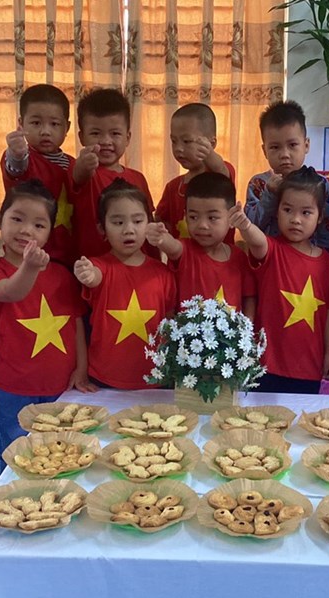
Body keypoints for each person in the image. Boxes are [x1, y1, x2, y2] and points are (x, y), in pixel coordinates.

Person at [0, 181, 93, 456]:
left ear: (50, 232)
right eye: (17, 219)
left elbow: (76, 322)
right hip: (13, 389)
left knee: (62, 454)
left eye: (39, 225)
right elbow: (10, 292)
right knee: (19, 456)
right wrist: (30, 267)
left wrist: (82, 368)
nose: (27, 230)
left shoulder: (62, 275)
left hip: (61, 386)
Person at [232, 167, 329, 394]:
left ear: (320, 217)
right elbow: (257, 242)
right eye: (287, 210)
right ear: (277, 211)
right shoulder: (272, 249)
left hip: (309, 367)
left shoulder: (326, 263)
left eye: (306, 212)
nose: (295, 220)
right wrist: (245, 225)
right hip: (267, 365)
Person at [74, 180, 177, 389]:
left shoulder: (163, 273)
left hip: (155, 380)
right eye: (118, 222)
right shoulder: (99, 266)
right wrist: (86, 273)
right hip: (104, 381)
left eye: (137, 221)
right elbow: (94, 277)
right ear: (102, 228)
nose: (129, 230)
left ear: (149, 223)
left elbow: (170, 323)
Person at [146, 172, 256, 317]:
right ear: (185, 216)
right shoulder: (184, 250)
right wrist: (160, 237)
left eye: (212, 218)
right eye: (193, 217)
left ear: (231, 218)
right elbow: (171, 246)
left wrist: (248, 326)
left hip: (231, 331)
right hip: (187, 330)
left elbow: (249, 297)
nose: (202, 225)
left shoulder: (239, 256)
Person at [244, 100, 329, 259]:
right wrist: (270, 195)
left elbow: (327, 233)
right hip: (270, 263)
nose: (284, 154)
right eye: (275, 147)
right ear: (264, 150)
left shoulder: (320, 184)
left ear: (306, 145)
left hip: (307, 263)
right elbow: (251, 226)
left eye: (292, 145)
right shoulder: (259, 184)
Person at [69, 88, 154, 259]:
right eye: (95, 133)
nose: (106, 141)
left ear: (128, 137)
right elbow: (78, 177)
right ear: (82, 137)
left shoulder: (138, 178)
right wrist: (83, 166)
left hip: (136, 267)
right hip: (93, 267)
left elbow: (148, 223)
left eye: (115, 133)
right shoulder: (85, 172)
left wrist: (154, 262)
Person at [2, 84, 76, 265]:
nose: (45, 131)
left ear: (66, 127)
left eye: (54, 124)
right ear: (21, 124)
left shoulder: (74, 165)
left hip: (66, 255)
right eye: (36, 123)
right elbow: (15, 168)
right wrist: (16, 154)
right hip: (25, 254)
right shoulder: (24, 158)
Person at [155, 103, 236, 243]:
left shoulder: (219, 175)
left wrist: (209, 153)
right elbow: (161, 219)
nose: (179, 148)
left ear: (211, 143)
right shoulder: (173, 187)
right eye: (174, 141)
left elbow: (221, 169)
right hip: (184, 255)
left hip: (221, 255)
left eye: (187, 141)